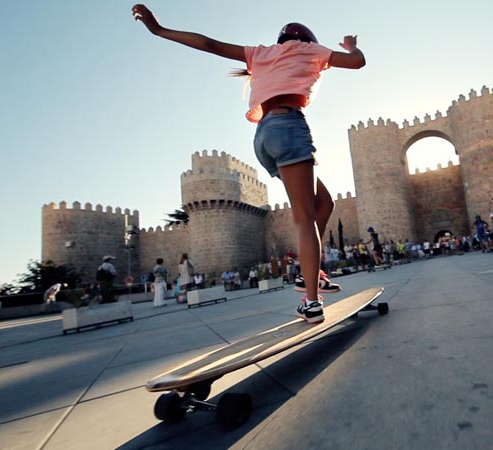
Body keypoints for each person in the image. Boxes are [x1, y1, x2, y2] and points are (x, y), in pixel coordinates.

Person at [132, 6, 363, 322]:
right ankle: (311, 300)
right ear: (307, 40)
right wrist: (350, 47)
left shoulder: (263, 53)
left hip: (263, 137)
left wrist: (159, 30)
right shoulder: (312, 51)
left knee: (323, 204)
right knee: (305, 218)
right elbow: (358, 62)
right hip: (289, 128)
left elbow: (211, 45)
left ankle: (310, 273)